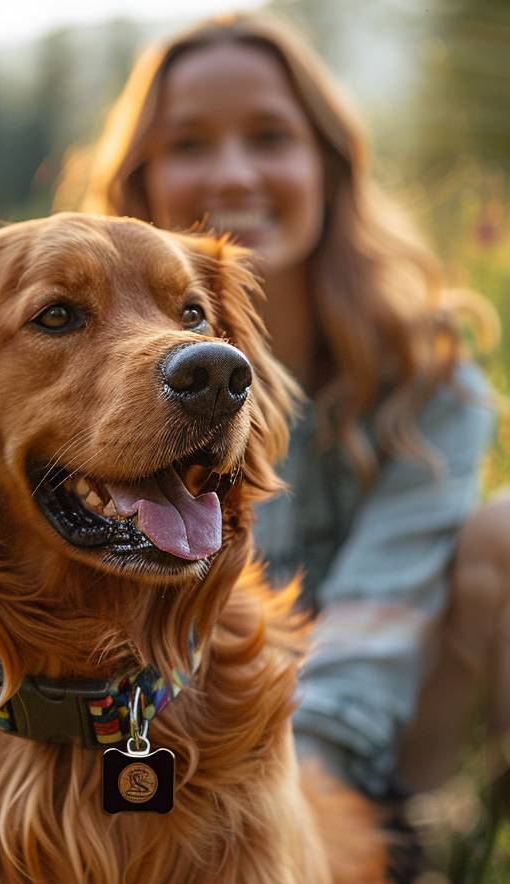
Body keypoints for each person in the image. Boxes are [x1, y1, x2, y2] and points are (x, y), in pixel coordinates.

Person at [66, 12, 510, 820]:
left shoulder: (429, 380)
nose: (234, 175)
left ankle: (447, 865)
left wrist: (287, 829)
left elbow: (376, 638)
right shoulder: (86, 392)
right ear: (139, 185)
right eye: (190, 145)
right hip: (148, 763)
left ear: (329, 167)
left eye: (271, 137)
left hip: (349, 774)